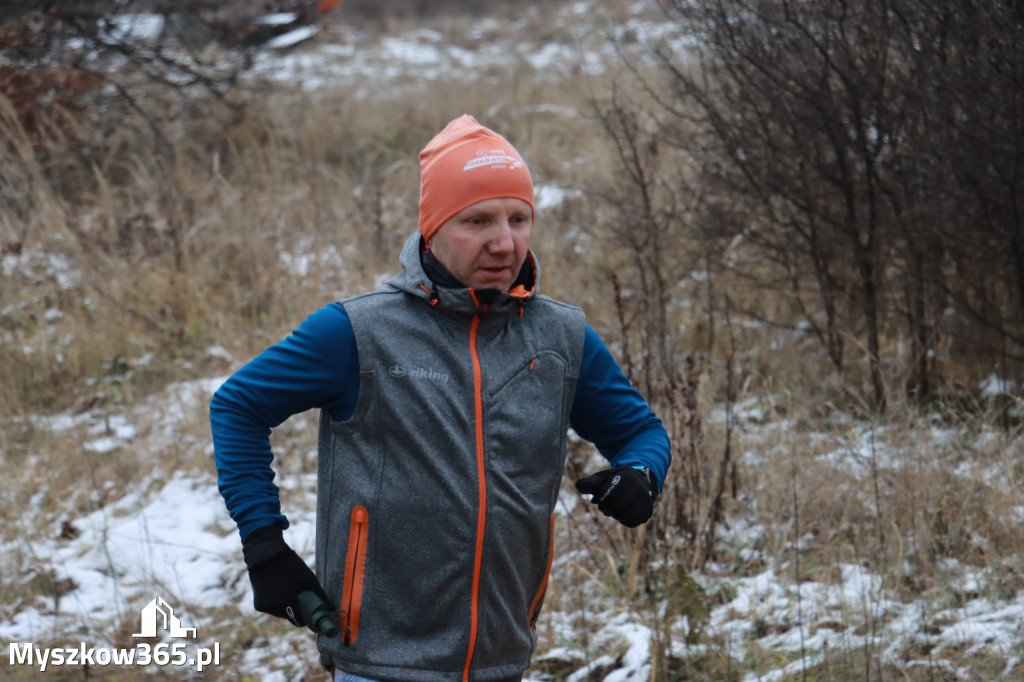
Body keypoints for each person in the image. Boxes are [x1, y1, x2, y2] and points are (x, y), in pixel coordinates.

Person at [211, 114, 671, 682]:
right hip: (377, 662)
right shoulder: (358, 333)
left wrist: (642, 474)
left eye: (519, 219)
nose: (504, 242)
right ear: (432, 228)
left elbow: (640, 433)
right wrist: (264, 546)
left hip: (502, 657)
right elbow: (238, 405)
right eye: (477, 220)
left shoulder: (559, 338)